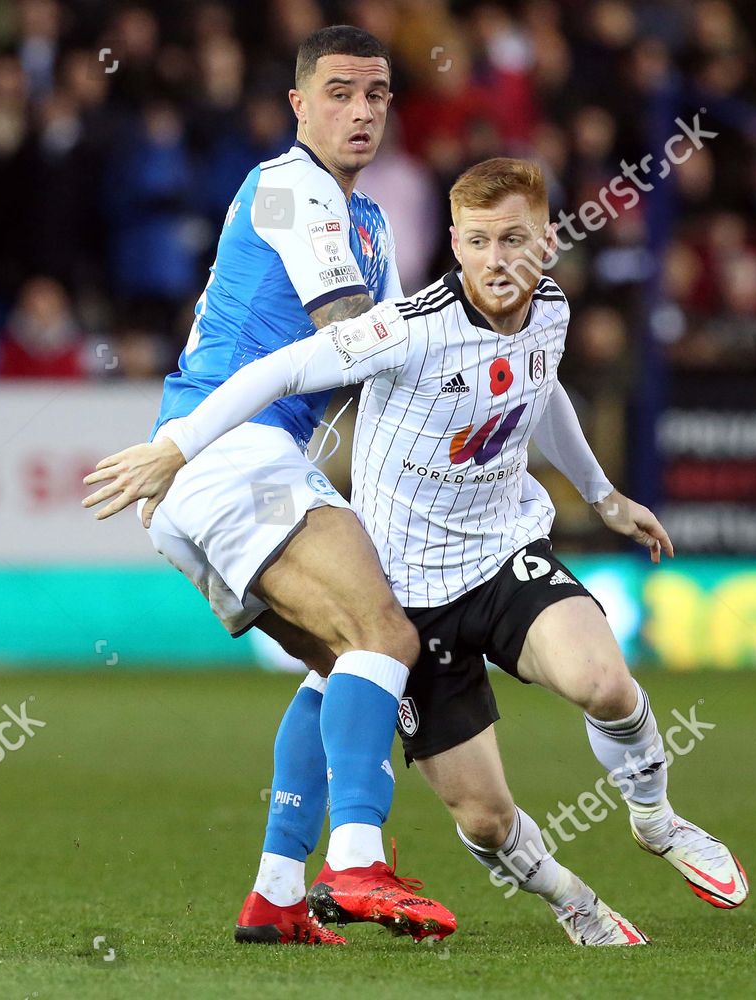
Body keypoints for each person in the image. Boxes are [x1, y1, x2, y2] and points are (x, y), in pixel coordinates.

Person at [87, 157, 750, 946]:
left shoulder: (552, 310)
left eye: (516, 239)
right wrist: (177, 445)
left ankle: (657, 819)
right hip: (405, 595)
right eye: (479, 241)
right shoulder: (406, 328)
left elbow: (543, 390)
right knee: (487, 816)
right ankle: (574, 900)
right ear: (455, 244)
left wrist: (604, 495)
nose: (498, 259)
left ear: (548, 240)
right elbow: (281, 367)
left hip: (502, 554)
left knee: (604, 682)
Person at [84, 26, 455, 946]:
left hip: (229, 469)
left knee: (341, 663)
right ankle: (357, 863)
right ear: (298, 105)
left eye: (376, 93)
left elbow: (382, 371)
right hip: (225, 455)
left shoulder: (368, 222)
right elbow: (351, 336)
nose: (362, 110)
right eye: (339, 92)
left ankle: (278, 893)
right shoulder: (292, 188)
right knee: (384, 633)